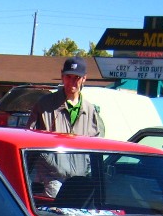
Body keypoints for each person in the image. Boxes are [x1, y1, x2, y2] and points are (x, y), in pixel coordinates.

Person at [28, 57, 105, 197]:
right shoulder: (45, 105)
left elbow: (96, 146)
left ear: (84, 79)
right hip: (50, 179)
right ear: (62, 76)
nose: (72, 81)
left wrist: (85, 167)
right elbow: (28, 139)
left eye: (77, 77)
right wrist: (49, 161)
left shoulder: (90, 110)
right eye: (68, 76)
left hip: (79, 181)